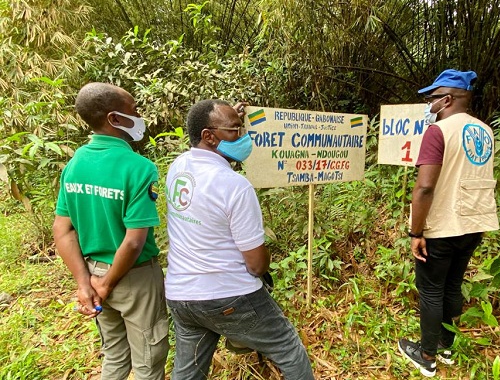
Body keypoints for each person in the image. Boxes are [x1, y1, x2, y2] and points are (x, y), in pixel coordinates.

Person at [164, 99, 315, 380]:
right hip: (228, 294)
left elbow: (209, 127)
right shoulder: (234, 185)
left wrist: (231, 120)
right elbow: (256, 265)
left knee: (188, 371)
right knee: (288, 349)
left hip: (181, 296)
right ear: (209, 136)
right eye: (235, 130)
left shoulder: (178, 167)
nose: (243, 137)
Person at [53, 83, 169, 380]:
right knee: (148, 359)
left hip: (91, 271)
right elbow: (133, 242)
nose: (140, 115)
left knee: (115, 357)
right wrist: (106, 284)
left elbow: (63, 229)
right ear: (115, 119)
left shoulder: (75, 163)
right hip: (135, 277)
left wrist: (85, 284)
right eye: (134, 110)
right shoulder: (138, 167)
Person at [397, 70, 499, 377]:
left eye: (431, 98)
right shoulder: (485, 130)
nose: (428, 103)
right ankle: (447, 345)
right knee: (453, 284)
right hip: (474, 222)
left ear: (447, 99)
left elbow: (425, 187)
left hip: (443, 225)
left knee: (430, 290)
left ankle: (427, 355)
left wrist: (416, 232)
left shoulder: (439, 131)